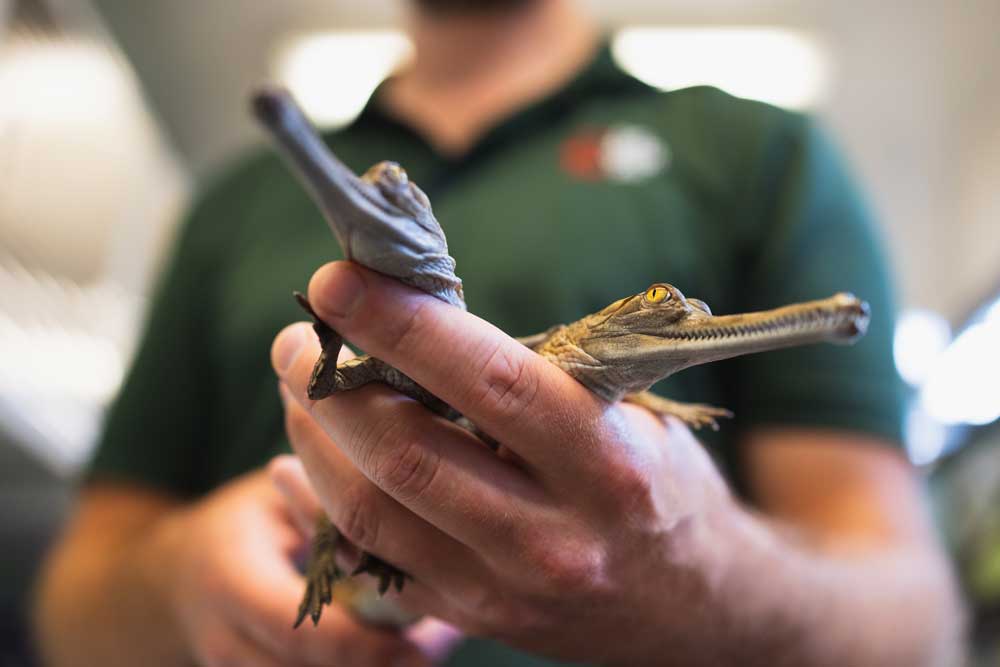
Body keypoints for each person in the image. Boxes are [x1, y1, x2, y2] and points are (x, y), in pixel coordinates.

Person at [34, 0, 964, 665]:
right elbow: (73, 605)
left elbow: (918, 626)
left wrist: (704, 571)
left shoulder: (761, 154)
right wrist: (186, 579)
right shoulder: (230, 204)